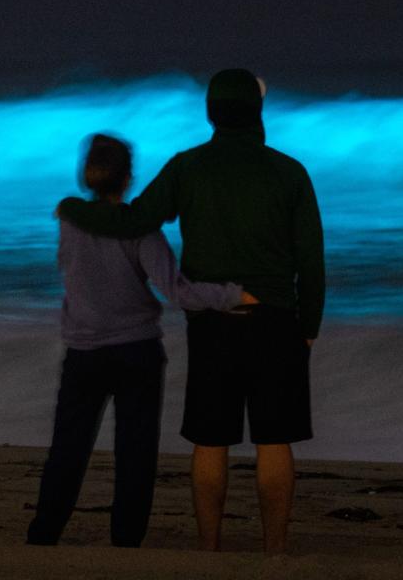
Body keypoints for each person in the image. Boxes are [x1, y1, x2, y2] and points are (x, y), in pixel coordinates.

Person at [57, 69, 324, 553]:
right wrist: (309, 324)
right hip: (275, 317)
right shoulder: (290, 172)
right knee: (274, 440)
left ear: (212, 111)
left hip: (212, 323)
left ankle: (209, 548)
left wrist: (76, 210)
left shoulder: (188, 167)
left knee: (211, 439)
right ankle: (275, 551)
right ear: (256, 112)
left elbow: (135, 219)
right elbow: (311, 258)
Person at [27, 134, 257, 548]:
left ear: (89, 173)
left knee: (68, 450)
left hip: (83, 351)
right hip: (136, 351)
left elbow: (71, 274)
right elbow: (178, 291)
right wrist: (234, 296)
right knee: (134, 454)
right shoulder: (140, 230)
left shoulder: (69, 220)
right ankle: (126, 542)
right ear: (129, 178)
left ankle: (43, 536)